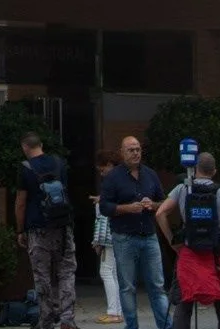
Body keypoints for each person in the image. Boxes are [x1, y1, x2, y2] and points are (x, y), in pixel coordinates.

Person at [167, 148, 220, 329]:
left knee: (184, 302)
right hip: (216, 256)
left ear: (195, 169)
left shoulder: (182, 189)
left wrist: (173, 241)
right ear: (215, 171)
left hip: (188, 255)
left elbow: (161, 214)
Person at [98, 134, 171, 329]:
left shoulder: (150, 174)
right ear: (122, 153)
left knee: (157, 286)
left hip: (149, 236)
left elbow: (164, 203)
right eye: (131, 150)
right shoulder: (113, 177)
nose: (136, 153)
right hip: (124, 237)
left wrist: (153, 205)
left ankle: (166, 326)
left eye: (138, 149)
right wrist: (127, 208)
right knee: (127, 287)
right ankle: (132, 326)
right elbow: (105, 207)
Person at [18, 129, 76, 329]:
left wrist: (20, 230)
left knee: (42, 274)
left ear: (25, 147)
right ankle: (67, 318)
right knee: (66, 271)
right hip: (62, 226)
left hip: (38, 229)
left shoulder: (25, 168)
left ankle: (46, 319)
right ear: (40, 145)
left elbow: (21, 203)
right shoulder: (59, 163)